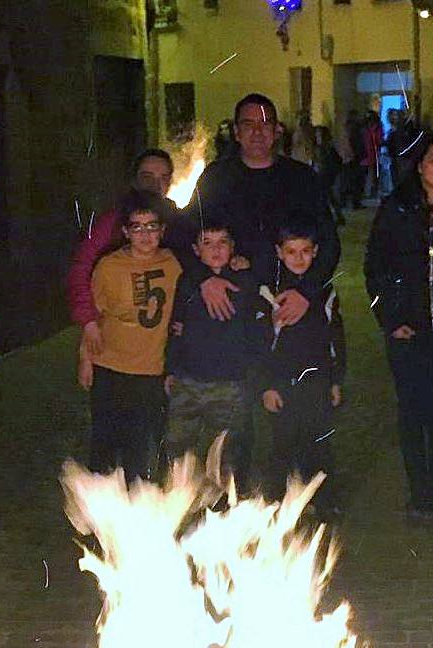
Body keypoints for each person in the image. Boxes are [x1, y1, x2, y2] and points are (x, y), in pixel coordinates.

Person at [365, 130, 433, 521]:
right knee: (412, 407)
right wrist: (391, 318)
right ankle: (419, 489)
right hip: (406, 329)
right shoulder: (397, 208)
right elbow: (375, 267)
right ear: (419, 165)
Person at [187, 93, 339, 335]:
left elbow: (329, 240)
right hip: (232, 300)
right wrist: (204, 279)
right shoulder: (216, 178)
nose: (257, 132)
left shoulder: (302, 179)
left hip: (290, 299)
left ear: (277, 130)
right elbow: (186, 232)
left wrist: (306, 291)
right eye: (249, 124)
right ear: (236, 132)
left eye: (265, 123)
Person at [81, 190, 182, 481]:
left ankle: (138, 513)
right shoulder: (109, 266)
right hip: (110, 367)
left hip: (151, 371)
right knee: (104, 446)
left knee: (142, 448)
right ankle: (100, 515)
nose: (145, 235)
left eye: (152, 226)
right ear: (125, 231)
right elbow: (93, 319)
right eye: (137, 227)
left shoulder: (173, 265)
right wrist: (85, 359)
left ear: (162, 230)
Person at [163, 218, 268, 474]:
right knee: (179, 445)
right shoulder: (188, 282)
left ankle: (228, 502)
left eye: (222, 242)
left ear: (233, 247)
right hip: (190, 379)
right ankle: (180, 497)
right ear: (196, 250)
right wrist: (171, 369)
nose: (216, 249)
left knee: (228, 448)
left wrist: (252, 371)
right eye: (207, 243)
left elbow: (257, 328)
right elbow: (176, 327)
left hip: (230, 382)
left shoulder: (245, 282)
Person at [259, 222, 346, 508]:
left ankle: (323, 503)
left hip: (316, 381)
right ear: (279, 253)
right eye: (291, 251)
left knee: (318, 443)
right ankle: (276, 504)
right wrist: (267, 385)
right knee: (282, 445)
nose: (299, 258)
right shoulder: (269, 293)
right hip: (283, 383)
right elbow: (261, 346)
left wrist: (335, 380)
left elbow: (335, 338)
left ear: (316, 252)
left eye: (306, 251)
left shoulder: (323, 292)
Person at [68, 149, 176, 355]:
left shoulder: (178, 221)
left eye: (163, 178)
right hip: (114, 341)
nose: (155, 185)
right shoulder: (112, 222)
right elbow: (81, 268)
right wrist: (88, 322)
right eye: (147, 177)